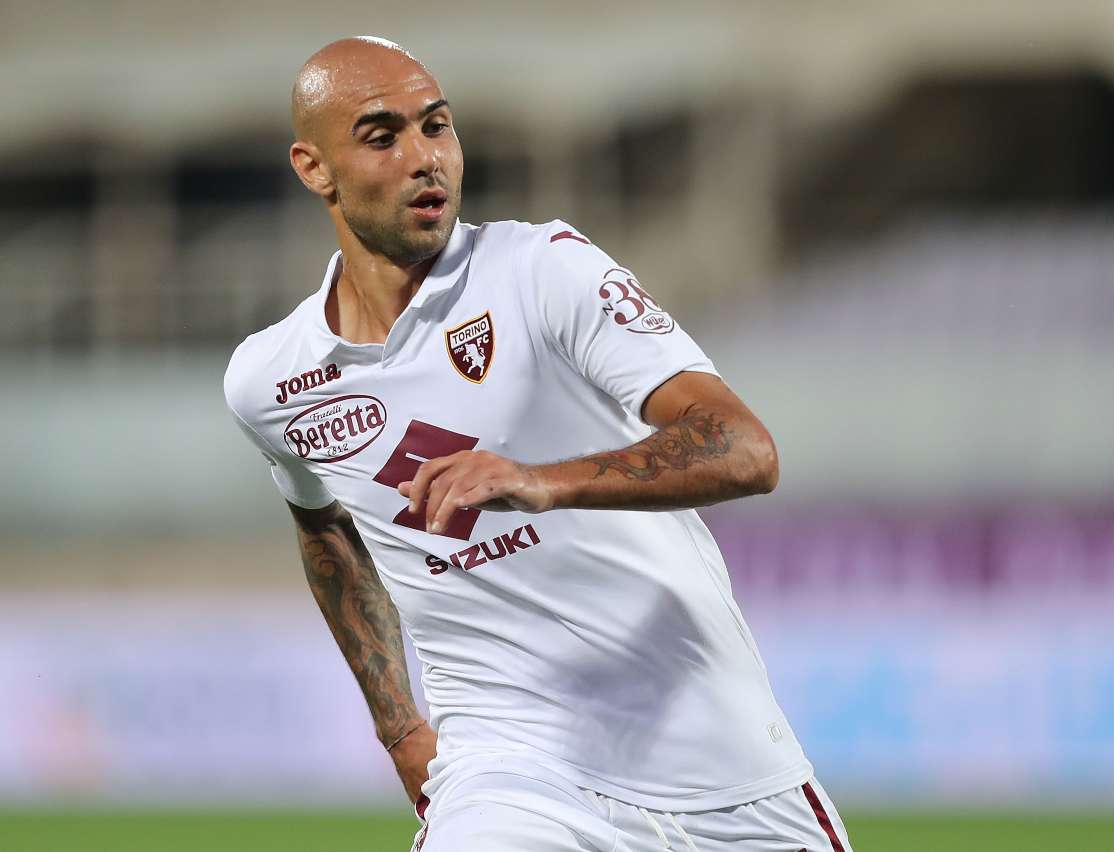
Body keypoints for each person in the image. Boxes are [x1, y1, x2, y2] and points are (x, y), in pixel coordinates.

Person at [224, 36, 853, 852]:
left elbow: (741, 446)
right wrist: (399, 727)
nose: (426, 159)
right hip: (510, 769)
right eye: (383, 137)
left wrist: (543, 481)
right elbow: (326, 529)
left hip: (721, 773)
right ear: (315, 169)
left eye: (437, 127)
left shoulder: (540, 269)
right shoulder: (270, 381)